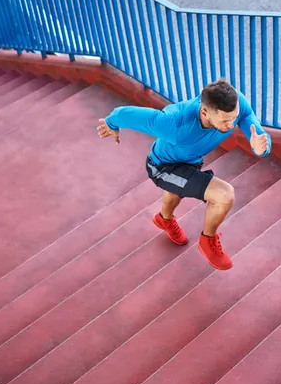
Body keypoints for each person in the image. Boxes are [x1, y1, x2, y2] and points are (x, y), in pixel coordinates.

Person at [96, 79, 271, 270]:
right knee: (224, 195)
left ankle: (164, 219)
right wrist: (111, 125)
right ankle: (207, 240)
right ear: (204, 112)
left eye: (233, 119)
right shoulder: (174, 123)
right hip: (163, 167)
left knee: (176, 190)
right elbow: (123, 113)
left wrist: (261, 147)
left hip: (190, 160)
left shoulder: (236, 104)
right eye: (224, 121)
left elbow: (254, 128)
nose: (231, 125)